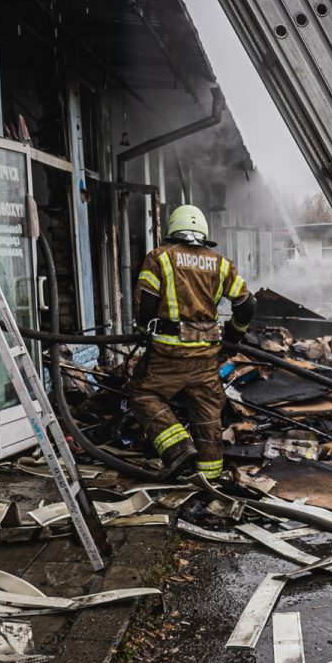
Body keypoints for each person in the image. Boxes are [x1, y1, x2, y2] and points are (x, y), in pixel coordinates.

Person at [130, 204, 256, 479]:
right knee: (208, 411)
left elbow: (146, 303)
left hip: (168, 354)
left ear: (172, 229)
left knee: (143, 394)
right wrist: (233, 335)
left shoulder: (160, 258)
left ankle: (177, 449)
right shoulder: (221, 264)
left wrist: (144, 327)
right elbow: (247, 305)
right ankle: (209, 479)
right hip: (206, 354)